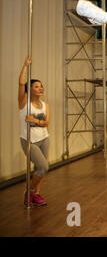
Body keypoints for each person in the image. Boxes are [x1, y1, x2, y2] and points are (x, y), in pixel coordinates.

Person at [18, 57, 50, 206]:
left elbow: (46, 123)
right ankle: (29, 192)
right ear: (30, 89)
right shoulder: (24, 102)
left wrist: (35, 121)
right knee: (44, 166)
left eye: (41, 86)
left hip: (44, 139)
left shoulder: (45, 105)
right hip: (29, 140)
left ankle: (36, 194)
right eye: (37, 86)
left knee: (41, 170)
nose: (40, 88)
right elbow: (21, 83)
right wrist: (25, 66)